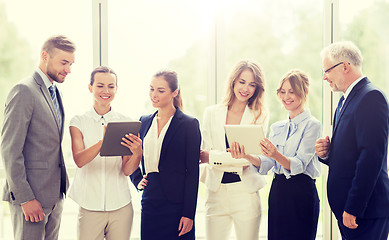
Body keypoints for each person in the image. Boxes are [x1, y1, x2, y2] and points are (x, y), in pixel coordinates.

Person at [230, 69, 321, 240]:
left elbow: (299, 165)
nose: (286, 97)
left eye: (291, 92)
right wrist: (246, 155)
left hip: (302, 193)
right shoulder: (277, 127)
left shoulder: (312, 125)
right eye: (283, 92)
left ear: (305, 92)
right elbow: (268, 162)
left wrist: (276, 154)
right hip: (279, 192)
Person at [1, 35, 75, 240]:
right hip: (31, 199)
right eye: (64, 62)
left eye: (71, 63)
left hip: (54, 197)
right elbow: (10, 150)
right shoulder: (24, 91)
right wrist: (25, 198)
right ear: (45, 56)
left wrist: (58, 196)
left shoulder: (54, 91)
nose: (68, 69)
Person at [315, 41, 389, 239]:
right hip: (350, 212)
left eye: (327, 70)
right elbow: (351, 154)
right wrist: (327, 152)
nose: (324, 77)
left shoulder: (371, 97)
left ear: (345, 66)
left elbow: (371, 158)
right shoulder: (344, 100)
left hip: (364, 212)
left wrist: (354, 207)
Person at [68, 66, 142, 240]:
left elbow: (126, 170)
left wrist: (137, 154)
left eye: (111, 86)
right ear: (90, 87)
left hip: (121, 207)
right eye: (100, 85)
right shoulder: (78, 121)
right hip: (89, 207)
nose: (106, 91)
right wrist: (103, 142)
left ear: (116, 89)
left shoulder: (126, 122)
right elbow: (79, 160)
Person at [199, 60, 268, 240]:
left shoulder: (259, 116)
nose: (246, 88)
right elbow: (202, 154)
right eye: (242, 82)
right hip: (216, 193)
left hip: (246, 193)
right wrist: (236, 158)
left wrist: (213, 157)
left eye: (252, 84)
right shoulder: (211, 113)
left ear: (257, 88)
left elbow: (250, 159)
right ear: (233, 82)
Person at [130, 70, 201, 240]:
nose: (154, 95)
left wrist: (189, 214)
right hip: (150, 200)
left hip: (177, 206)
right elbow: (133, 154)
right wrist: (137, 178)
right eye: (151, 89)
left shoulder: (189, 124)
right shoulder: (144, 121)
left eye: (160, 91)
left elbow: (192, 172)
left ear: (174, 93)